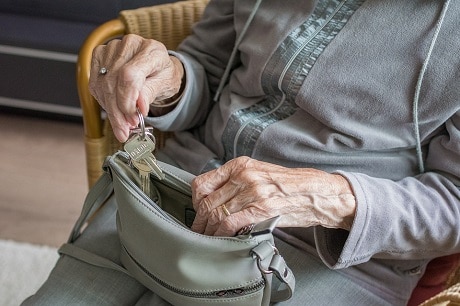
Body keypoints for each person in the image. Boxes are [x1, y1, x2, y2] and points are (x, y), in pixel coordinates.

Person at [23, 0, 460, 305]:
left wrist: (319, 196)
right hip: (174, 193)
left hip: (328, 256)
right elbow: (210, 67)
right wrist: (165, 80)